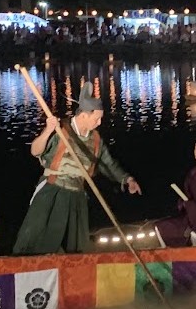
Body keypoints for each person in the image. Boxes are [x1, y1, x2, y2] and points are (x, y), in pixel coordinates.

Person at [13, 82, 141, 254]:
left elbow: (108, 164)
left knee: (75, 246)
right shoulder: (61, 130)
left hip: (77, 195)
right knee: (38, 239)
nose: (100, 122)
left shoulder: (96, 140)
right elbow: (35, 150)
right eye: (97, 118)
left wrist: (127, 179)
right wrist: (47, 130)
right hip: (53, 191)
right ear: (83, 116)